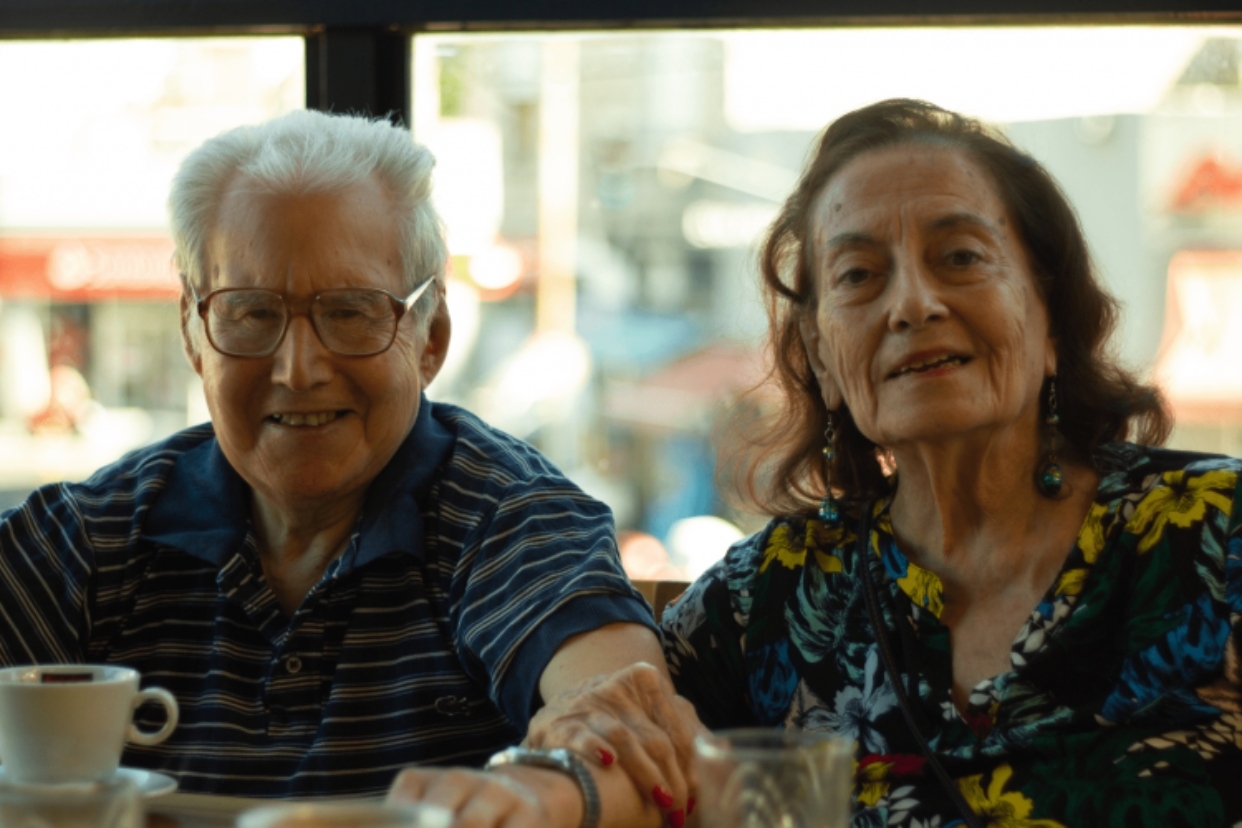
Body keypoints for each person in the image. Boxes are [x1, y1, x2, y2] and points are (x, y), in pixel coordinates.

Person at [490, 99, 1242, 828]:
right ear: (822, 355)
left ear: (1048, 318)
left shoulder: (1214, 537)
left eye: (960, 257)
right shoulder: (770, 601)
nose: (913, 304)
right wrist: (562, 756)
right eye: (858, 276)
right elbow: (627, 750)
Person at [0, 109, 666, 803]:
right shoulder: (97, 537)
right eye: (252, 312)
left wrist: (555, 780)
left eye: (349, 312)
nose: (297, 368)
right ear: (194, 335)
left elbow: (625, 726)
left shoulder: (504, 520)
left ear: (429, 336)